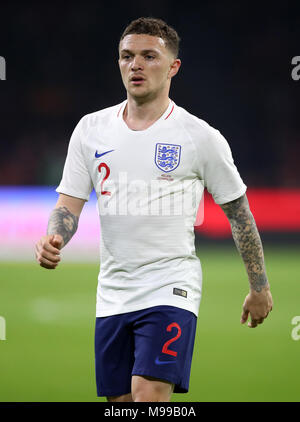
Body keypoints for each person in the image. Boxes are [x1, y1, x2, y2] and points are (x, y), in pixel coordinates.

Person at [35, 17, 273, 402]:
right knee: (122, 404)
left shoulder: (200, 137)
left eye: (149, 56)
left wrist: (259, 288)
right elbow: (69, 203)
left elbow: (239, 214)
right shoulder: (90, 130)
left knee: (149, 398)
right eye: (127, 56)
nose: (136, 65)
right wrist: (56, 234)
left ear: (173, 66)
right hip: (112, 292)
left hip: (170, 287)